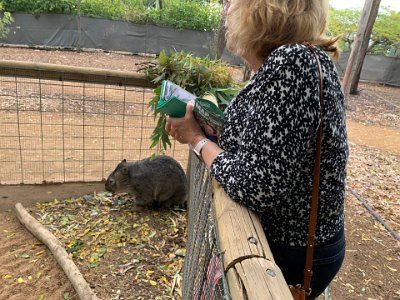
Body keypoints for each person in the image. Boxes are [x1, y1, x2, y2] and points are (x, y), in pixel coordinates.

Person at [165, 0, 348, 298]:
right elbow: (267, 146)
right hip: (290, 242)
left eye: (232, 2)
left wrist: (197, 141)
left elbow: (256, 186)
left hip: (292, 250)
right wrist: (211, 129)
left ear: (262, 9)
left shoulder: (291, 63)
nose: (226, 10)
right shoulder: (289, 61)